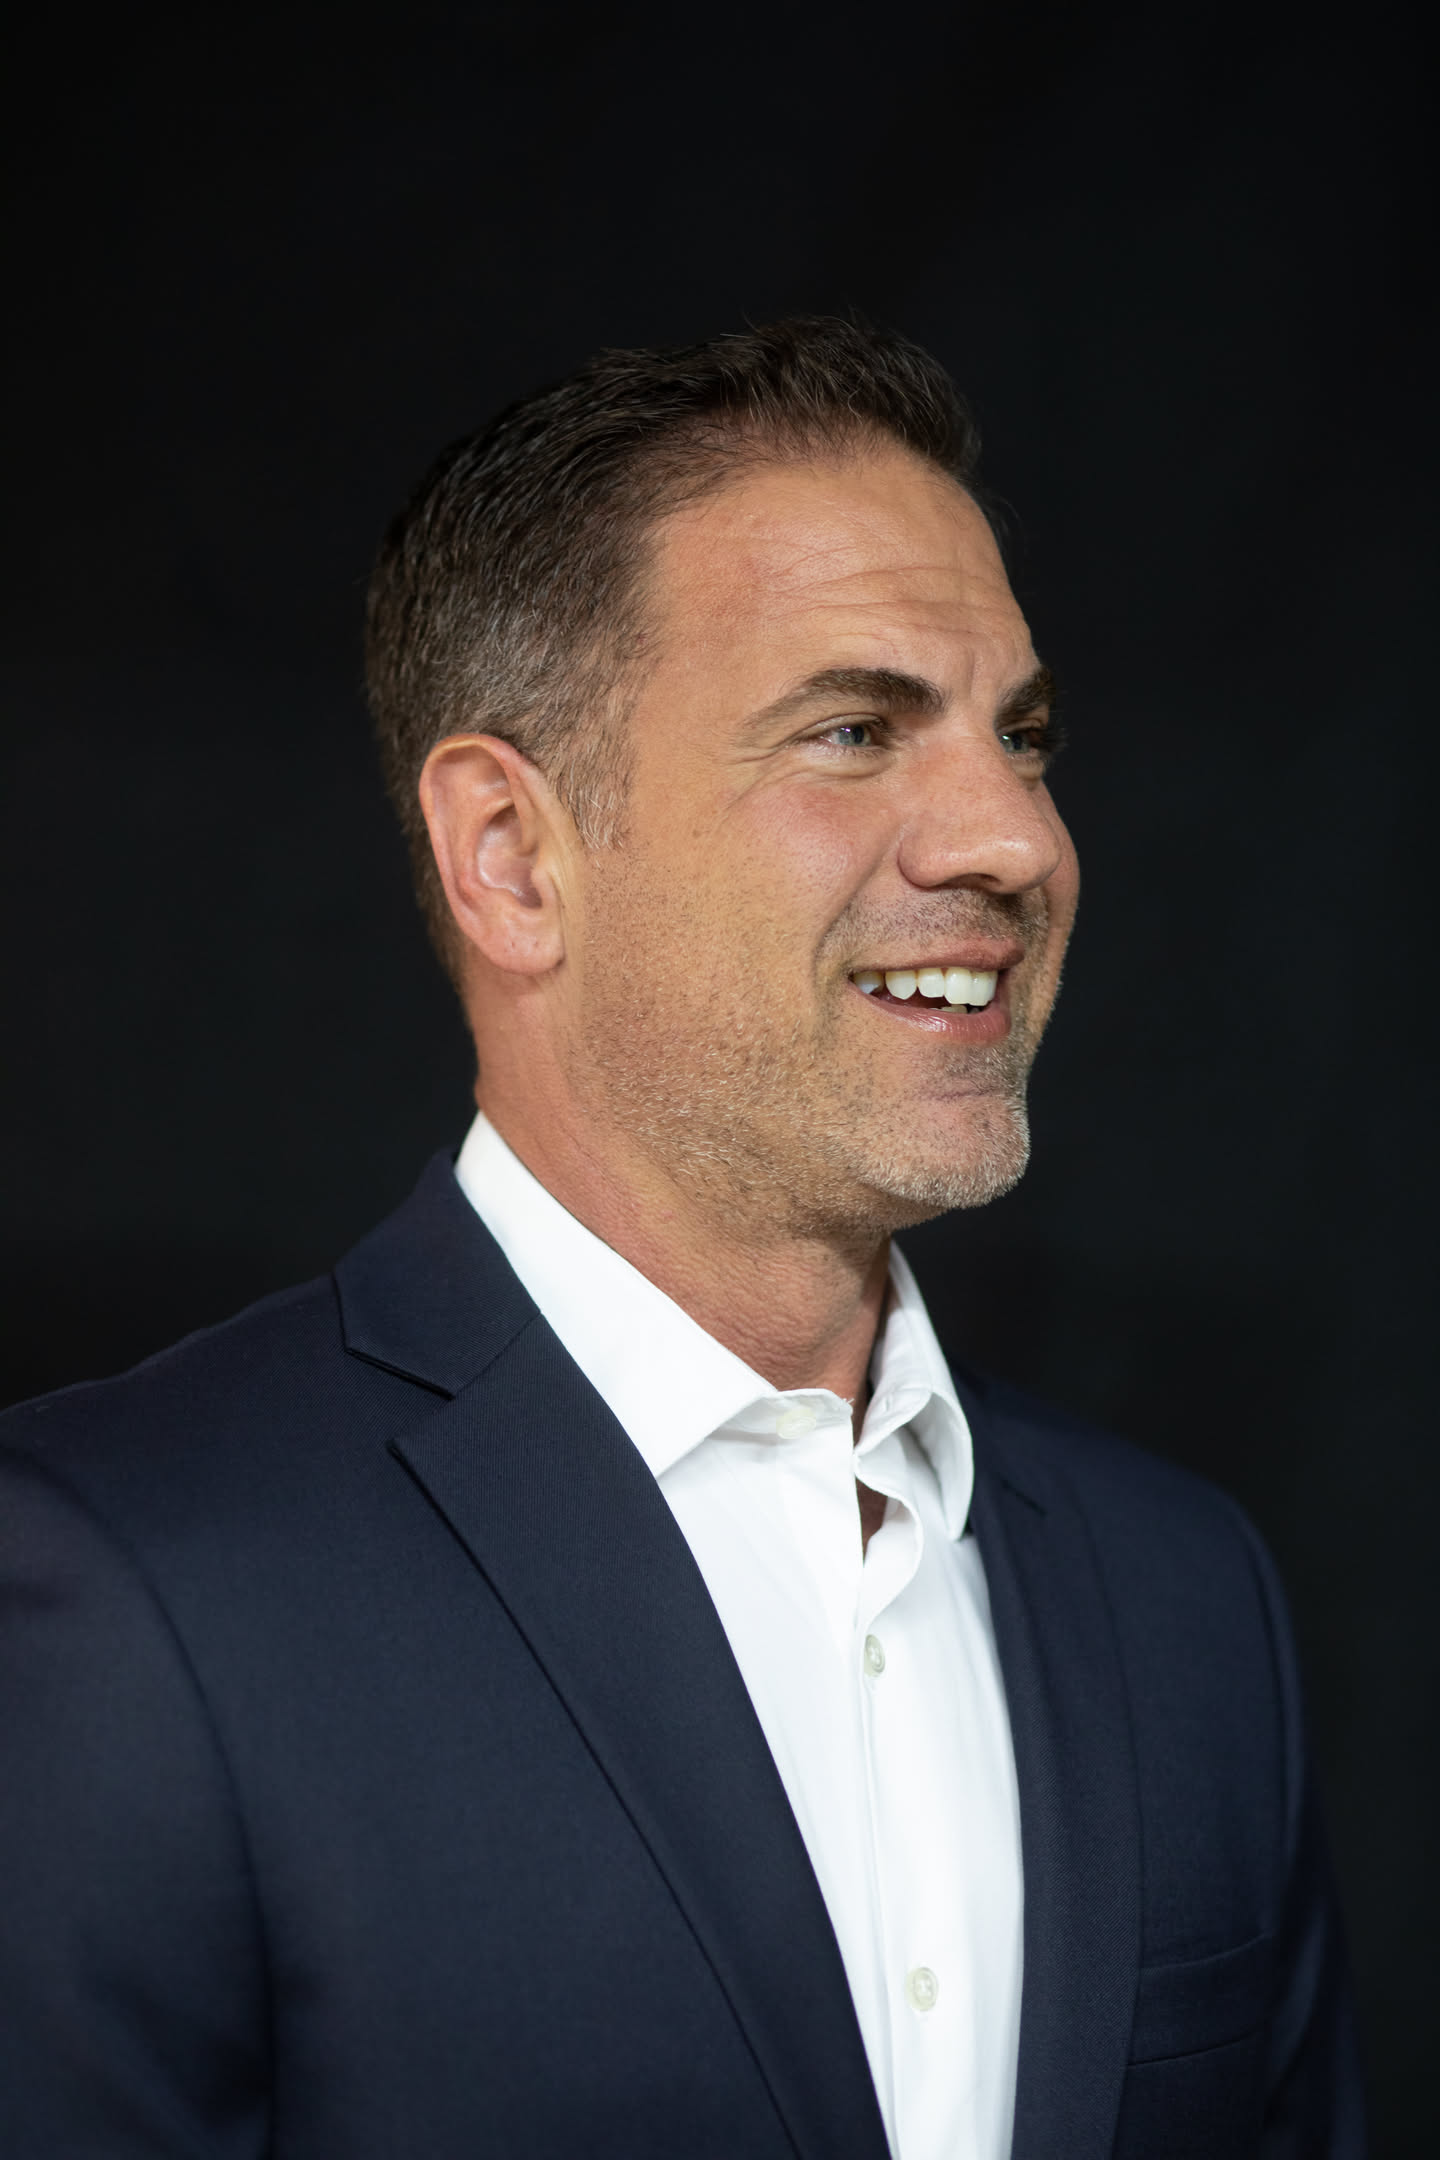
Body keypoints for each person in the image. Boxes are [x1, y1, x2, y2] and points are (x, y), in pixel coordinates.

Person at [0, 319, 1363, 2159]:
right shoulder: (123, 1597)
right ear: (512, 854)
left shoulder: (1188, 1598)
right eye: (854, 730)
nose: (1016, 840)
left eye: (1021, 736)